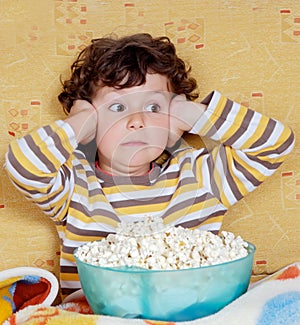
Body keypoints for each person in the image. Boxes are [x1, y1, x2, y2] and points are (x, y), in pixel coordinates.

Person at [5, 33, 295, 296]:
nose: (137, 121)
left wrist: (193, 115)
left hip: (194, 308)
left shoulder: (201, 177)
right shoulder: (74, 187)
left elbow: (276, 144)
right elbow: (21, 165)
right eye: (117, 107)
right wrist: (78, 122)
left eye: (154, 107)